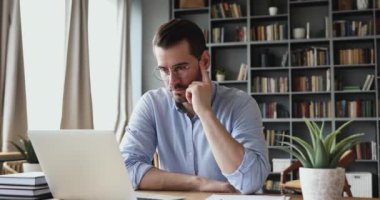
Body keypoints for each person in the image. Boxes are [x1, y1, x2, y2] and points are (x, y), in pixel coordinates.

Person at [119, 19, 270, 194]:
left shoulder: (241, 104)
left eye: (181, 68)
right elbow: (124, 170)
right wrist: (197, 183)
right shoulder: (152, 105)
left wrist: (205, 113)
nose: (172, 82)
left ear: (204, 61)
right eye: (164, 70)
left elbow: (250, 181)